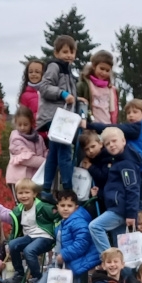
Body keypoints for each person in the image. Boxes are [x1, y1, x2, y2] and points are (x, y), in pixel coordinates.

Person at [33, 34, 80, 195]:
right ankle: (67, 187)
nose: (69, 55)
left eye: (72, 52)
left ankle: (47, 188)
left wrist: (76, 99)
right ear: (56, 53)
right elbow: (44, 87)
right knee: (65, 152)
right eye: (65, 52)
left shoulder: (69, 72)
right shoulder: (55, 66)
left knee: (54, 153)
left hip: (62, 117)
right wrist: (63, 94)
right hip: (55, 117)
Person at [86, 126, 140, 255]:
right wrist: (99, 193)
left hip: (119, 209)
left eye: (114, 141)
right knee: (120, 246)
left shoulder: (126, 163)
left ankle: (108, 257)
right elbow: (115, 188)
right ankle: (121, 266)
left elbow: (132, 188)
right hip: (117, 208)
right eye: (107, 143)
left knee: (95, 226)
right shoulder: (117, 162)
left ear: (123, 141)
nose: (111, 145)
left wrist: (131, 214)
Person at [8, 179, 56, 283]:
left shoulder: (42, 206)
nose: (24, 196)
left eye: (27, 192)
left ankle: (37, 278)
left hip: (45, 236)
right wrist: (10, 240)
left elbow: (57, 213)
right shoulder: (18, 210)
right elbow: (15, 229)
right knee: (13, 244)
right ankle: (19, 274)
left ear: (34, 194)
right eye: (20, 193)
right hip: (30, 237)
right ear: (16, 195)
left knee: (29, 251)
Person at [5, 106, 47, 187]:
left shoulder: (39, 138)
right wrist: (46, 162)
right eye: (19, 125)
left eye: (25, 124)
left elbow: (44, 151)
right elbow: (27, 160)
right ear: (15, 123)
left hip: (35, 179)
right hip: (18, 180)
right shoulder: (15, 138)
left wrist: (49, 157)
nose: (22, 127)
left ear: (31, 123)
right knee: (22, 196)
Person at [78, 48, 119, 124]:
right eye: (102, 69)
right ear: (94, 66)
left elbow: (113, 109)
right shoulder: (85, 85)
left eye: (107, 70)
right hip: (90, 124)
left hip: (107, 124)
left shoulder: (110, 89)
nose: (104, 73)